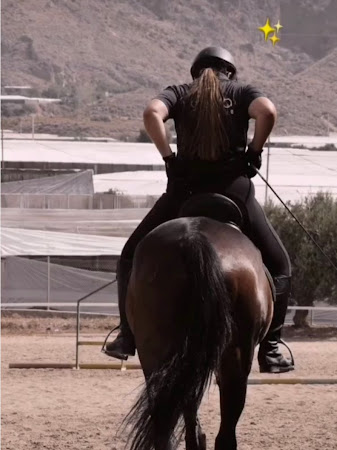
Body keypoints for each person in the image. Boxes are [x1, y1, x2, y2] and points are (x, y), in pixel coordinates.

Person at [103, 46, 294, 373]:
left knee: (130, 255)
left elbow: (151, 114)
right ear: (230, 72)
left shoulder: (179, 93)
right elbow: (268, 112)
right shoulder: (241, 91)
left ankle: (126, 337)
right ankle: (272, 348)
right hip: (235, 192)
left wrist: (169, 159)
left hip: (184, 191)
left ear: (195, 72)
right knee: (280, 265)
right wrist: (253, 151)